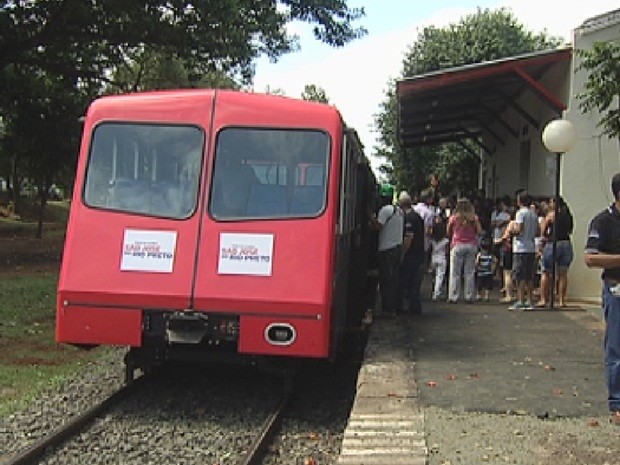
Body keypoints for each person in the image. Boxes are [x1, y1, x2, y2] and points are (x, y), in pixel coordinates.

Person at [584, 173, 620, 425]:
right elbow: (590, 258)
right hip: (616, 289)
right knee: (616, 347)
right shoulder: (604, 221)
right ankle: (617, 402)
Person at [369, 183, 404, 317]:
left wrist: (370, 217)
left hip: (387, 250)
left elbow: (378, 227)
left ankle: (387, 309)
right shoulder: (399, 211)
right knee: (394, 280)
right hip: (397, 249)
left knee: (386, 280)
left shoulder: (385, 211)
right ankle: (393, 307)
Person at [537, 196, 574, 307]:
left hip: (553, 243)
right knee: (563, 273)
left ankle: (544, 299)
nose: (549, 204)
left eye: (550, 202)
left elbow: (543, 230)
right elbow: (570, 230)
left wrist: (542, 239)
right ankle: (562, 300)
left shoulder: (552, 215)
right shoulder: (567, 215)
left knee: (546, 272)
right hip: (566, 243)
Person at [447, 198, 483, 303]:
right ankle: (469, 296)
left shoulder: (454, 218)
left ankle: (453, 296)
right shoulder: (474, 218)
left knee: (455, 272)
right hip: (471, 245)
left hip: (457, 244)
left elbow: (448, 231)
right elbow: (480, 231)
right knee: (469, 272)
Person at [508, 192, 539, 310]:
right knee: (529, 276)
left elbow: (519, 229)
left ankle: (521, 300)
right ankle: (530, 301)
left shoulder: (520, 213)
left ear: (520, 200)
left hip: (521, 247)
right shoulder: (533, 214)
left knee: (520, 276)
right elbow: (538, 231)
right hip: (531, 246)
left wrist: (512, 231)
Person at [399, 191, 425, 313]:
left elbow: (409, 237)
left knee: (406, 280)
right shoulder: (417, 217)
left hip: (411, 254)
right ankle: (415, 307)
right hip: (419, 252)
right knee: (415, 281)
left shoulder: (408, 218)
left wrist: (403, 252)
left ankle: (406, 306)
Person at [429, 218, 449, 301]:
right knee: (440, 277)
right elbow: (447, 252)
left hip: (433, 258)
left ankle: (435, 291)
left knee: (434, 277)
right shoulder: (446, 241)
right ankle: (436, 294)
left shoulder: (432, 240)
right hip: (442, 259)